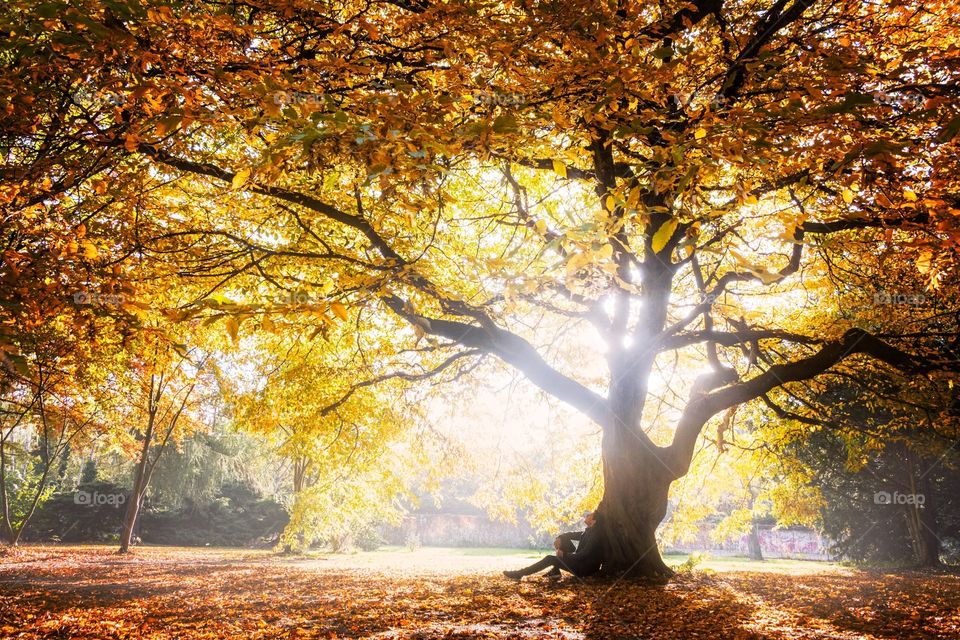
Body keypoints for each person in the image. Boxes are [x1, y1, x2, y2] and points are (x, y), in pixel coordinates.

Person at [503, 512, 605, 580]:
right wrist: (559, 538)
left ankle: (519, 573)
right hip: (579, 563)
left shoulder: (595, 535)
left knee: (549, 558)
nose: (587, 515)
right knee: (564, 539)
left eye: (590, 515)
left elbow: (584, 555)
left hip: (583, 569)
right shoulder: (587, 531)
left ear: (594, 521)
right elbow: (569, 535)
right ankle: (555, 571)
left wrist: (564, 554)